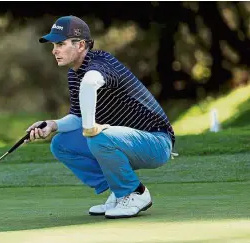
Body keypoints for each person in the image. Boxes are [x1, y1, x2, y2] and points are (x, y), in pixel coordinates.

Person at [25, 15, 176, 219]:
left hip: (157, 142)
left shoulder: (102, 62)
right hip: (123, 140)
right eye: (53, 45)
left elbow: (90, 83)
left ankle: (135, 193)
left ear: (80, 45)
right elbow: (78, 117)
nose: (54, 50)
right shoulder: (74, 74)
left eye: (60, 44)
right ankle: (119, 190)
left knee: (96, 136)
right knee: (61, 143)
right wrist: (52, 125)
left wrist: (90, 128)